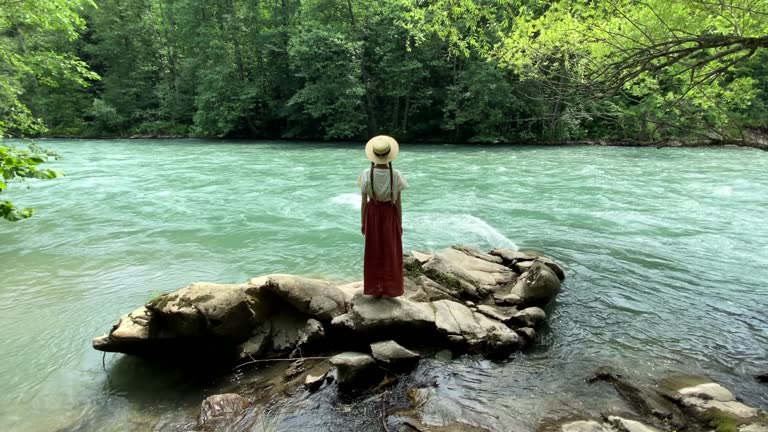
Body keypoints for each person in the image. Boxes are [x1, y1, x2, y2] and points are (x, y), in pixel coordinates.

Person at [357, 135, 409, 298]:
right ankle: (391, 289)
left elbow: (364, 202)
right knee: (391, 251)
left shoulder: (366, 174)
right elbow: (398, 203)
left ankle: (374, 289)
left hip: (372, 213)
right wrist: (399, 223)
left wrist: (363, 222)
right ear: (389, 154)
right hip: (389, 213)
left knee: (373, 250)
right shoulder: (396, 175)